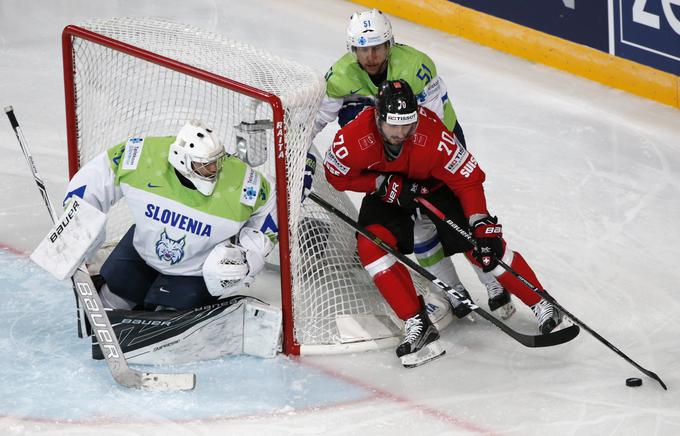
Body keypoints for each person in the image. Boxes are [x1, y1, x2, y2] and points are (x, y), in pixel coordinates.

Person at [323, 80, 563, 367]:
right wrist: (379, 183)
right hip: (389, 192)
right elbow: (336, 176)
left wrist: (480, 221)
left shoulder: (432, 133)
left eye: (407, 125)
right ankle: (417, 322)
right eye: (393, 126)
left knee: (484, 248)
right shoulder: (354, 138)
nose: (401, 133)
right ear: (378, 118)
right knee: (370, 246)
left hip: (436, 188)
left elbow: (468, 178)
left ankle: (543, 302)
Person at [307, 8, 513, 320]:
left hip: (433, 152)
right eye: (363, 49)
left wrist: (417, 174)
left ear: (390, 45)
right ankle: (454, 289)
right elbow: (316, 120)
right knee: (418, 227)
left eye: (377, 47)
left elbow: (431, 128)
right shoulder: (339, 77)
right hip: (387, 159)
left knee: (456, 217)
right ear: (353, 50)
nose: (371, 56)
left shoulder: (416, 66)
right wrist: (296, 149)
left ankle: (492, 282)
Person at [62, 120, 281, 361]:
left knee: (166, 323)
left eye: (216, 162)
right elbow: (101, 173)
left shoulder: (243, 182)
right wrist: (78, 217)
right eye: (205, 166)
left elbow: (272, 205)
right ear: (182, 159)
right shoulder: (144, 156)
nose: (215, 170)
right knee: (115, 295)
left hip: (195, 271)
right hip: (141, 253)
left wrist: (249, 254)